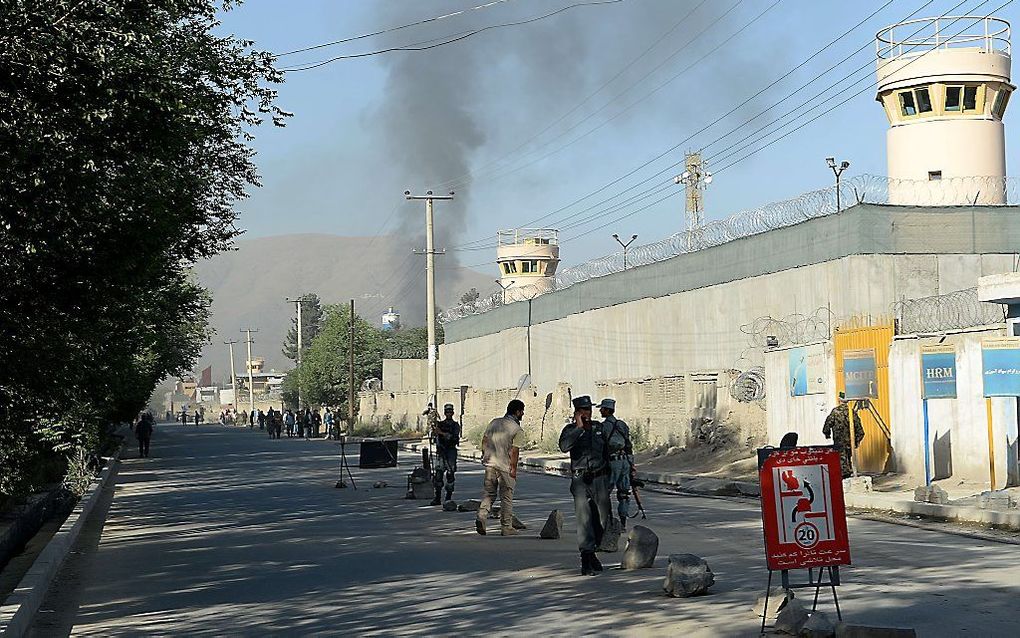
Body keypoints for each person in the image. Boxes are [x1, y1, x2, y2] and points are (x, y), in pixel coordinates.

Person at [559, 395, 612, 576]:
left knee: (603, 520)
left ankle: (592, 551)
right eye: (583, 411)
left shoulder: (599, 428)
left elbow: (607, 453)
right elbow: (564, 446)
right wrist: (579, 428)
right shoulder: (570, 430)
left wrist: (611, 479)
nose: (587, 413)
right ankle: (586, 557)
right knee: (584, 520)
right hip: (581, 480)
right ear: (577, 413)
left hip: (600, 479)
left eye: (589, 410)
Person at [476, 400, 525, 536]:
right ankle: (506, 526)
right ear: (517, 412)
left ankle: (482, 516)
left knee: (489, 494)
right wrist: (513, 469)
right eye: (522, 411)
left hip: (490, 464)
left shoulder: (494, 422)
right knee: (506, 497)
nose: (523, 414)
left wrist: (485, 455)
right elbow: (514, 451)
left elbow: (484, 441)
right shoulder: (517, 429)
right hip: (505, 467)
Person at [599, 398, 633, 529]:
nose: (601, 411)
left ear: (607, 410)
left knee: (605, 492)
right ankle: (622, 523)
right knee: (624, 493)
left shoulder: (603, 427)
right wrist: (631, 463)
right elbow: (629, 445)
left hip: (612, 463)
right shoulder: (622, 425)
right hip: (625, 461)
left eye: (602, 409)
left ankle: (606, 522)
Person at [823, 393, 866, 479]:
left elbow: (828, 424)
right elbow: (860, 430)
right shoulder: (852, 412)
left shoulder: (835, 412)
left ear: (839, 400)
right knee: (848, 458)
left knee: (841, 459)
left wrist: (827, 434)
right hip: (850, 441)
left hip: (839, 441)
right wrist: (856, 441)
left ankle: (844, 476)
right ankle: (848, 474)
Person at [430, 404, 462, 505]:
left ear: (452, 413)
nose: (448, 413)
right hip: (441, 451)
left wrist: (441, 433)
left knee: (450, 474)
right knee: (438, 475)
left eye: (450, 412)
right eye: (447, 412)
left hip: (451, 451)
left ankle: (448, 497)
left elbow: (452, 437)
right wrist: (434, 431)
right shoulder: (440, 424)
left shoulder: (455, 425)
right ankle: (437, 497)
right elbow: (434, 437)